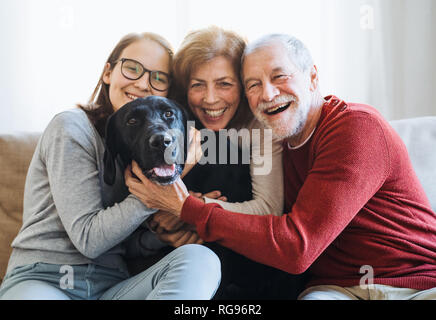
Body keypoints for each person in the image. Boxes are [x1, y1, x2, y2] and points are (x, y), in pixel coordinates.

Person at [124, 33, 436, 300]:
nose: (269, 94)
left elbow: (297, 246)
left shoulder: (355, 127)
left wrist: (188, 210)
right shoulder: (270, 138)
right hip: (334, 289)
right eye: (254, 84)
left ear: (313, 77)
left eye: (280, 76)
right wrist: (182, 222)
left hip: (416, 281)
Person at [0, 32, 220, 300]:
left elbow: (124, 245)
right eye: (132, 68)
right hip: (46, 278)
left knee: (200, 259)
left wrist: (162, 237)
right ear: (108, 73)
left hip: (112, 288)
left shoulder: (146, 146)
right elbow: (89, 240)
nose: (142, 83)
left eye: (158, 77)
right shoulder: (71, 126)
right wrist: (166, 185)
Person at [147, 26, 306, 299]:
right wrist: (161, 229)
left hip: (249, 258)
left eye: (224, 84)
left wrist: (189, 210)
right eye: (198, 85)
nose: (210, 99)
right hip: (188, 257)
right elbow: (150, 202)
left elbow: (269, 209)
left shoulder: (260, 126)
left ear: (243, 86)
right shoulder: (172, 123)